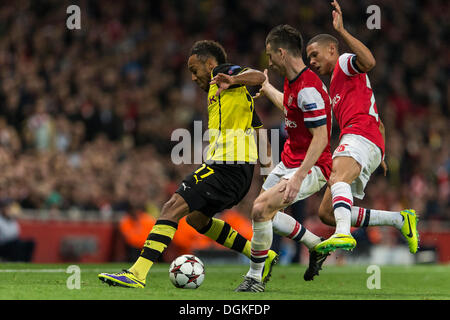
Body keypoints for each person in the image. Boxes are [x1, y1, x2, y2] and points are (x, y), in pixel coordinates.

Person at [98, 40, 279, 289]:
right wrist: (269, 176)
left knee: (172, 206)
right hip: (237, 174)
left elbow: (258, 76)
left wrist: (232, 79)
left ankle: (137, 273)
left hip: (227, 168)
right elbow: (260, 135)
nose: (193, 78)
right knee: (196, 219)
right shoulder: (236, 97)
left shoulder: (223, 74)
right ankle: (260, 255)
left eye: (195, 70)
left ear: (211, 65)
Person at [305, 0, 419, 254]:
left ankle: (343, 235)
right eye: (309, 58)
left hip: (360, 136)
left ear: (332, 49)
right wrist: (381, 153)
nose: (311, 61)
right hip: (367, 140)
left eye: (315, 54)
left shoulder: (344, 62)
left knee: (336, 178)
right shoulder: (334, 85)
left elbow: (369, 61)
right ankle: (399, 220)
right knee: (326, 212)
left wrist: (342, 31)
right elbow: (378, 119)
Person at [234, 24, 333, 292]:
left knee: (260, 209)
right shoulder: (294, 82)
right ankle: (316, 245)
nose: (268, 61)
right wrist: (267, 87)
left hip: (311, 167)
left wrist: (298, 177)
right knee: (263, 213)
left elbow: (321, 137)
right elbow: (289, 106)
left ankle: (255, 279)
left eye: (269, 55)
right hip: (289, 161)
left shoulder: (309, 89)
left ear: (281, 52)